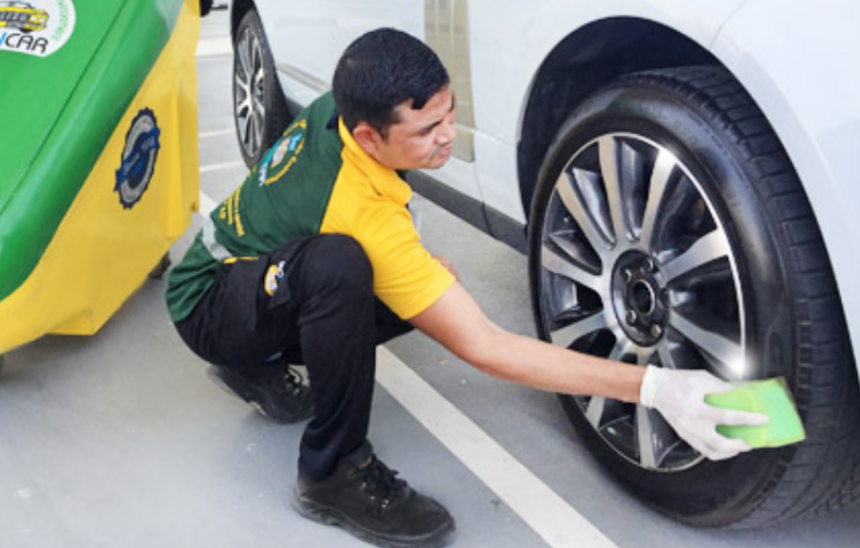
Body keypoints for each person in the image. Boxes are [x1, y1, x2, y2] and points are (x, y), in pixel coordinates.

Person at [166, 28, 767, 548]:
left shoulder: (344, 105)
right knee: (341, 267)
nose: (448, 136)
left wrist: (416, 263)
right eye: (428, 129)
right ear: (371, 137)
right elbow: (483, 346)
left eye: (449, 113)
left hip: (255, 273)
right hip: (206, 301)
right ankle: (331, 471)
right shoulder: (361, 210)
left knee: (424, 284)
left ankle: (259, 357)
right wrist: (657, 387)